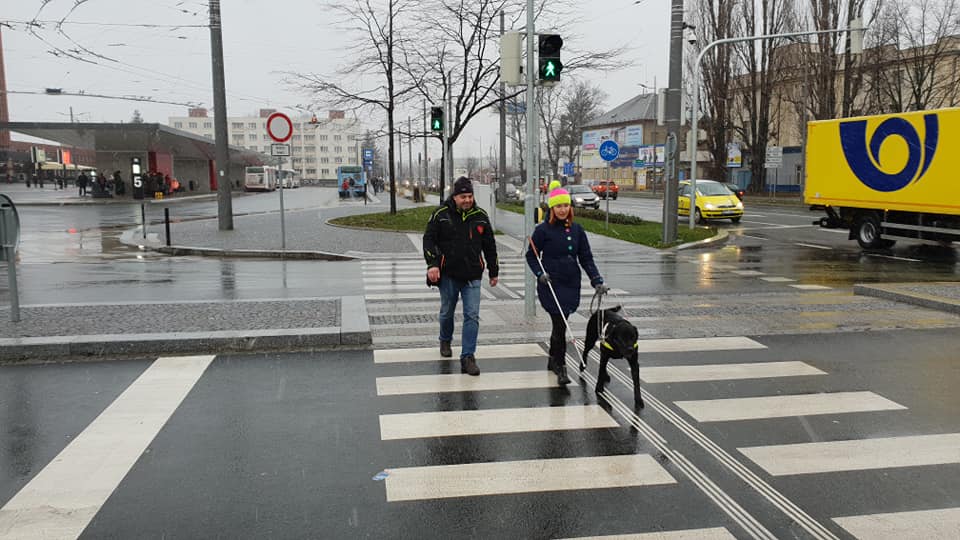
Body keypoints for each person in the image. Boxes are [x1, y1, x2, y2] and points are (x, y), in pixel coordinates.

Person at [525, 181, 607, 385]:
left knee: (560, 325)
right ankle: (561, 366)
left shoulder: (577, 230)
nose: (562, 210)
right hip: (551, 283)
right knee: (560, 325)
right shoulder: (543, 230)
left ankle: (553, 358)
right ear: (552, 208)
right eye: (558, 206)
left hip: (571, 282)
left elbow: (586, 258)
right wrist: (539, 274)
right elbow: (532, 256)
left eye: (565, 206)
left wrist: (596, 280)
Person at [423, 176, 500, 376]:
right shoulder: (441, 214)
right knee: (447, 311)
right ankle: (445, 339)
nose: (467, 200)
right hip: (448, 274)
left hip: (473, 275)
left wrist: (494, 271)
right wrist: (432, 265)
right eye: (463, 196)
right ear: (455, 197)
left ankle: (468, 357)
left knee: (472, 315)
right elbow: (429, 239)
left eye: (470, 196)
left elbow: (490, 245)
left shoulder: (481, 216)